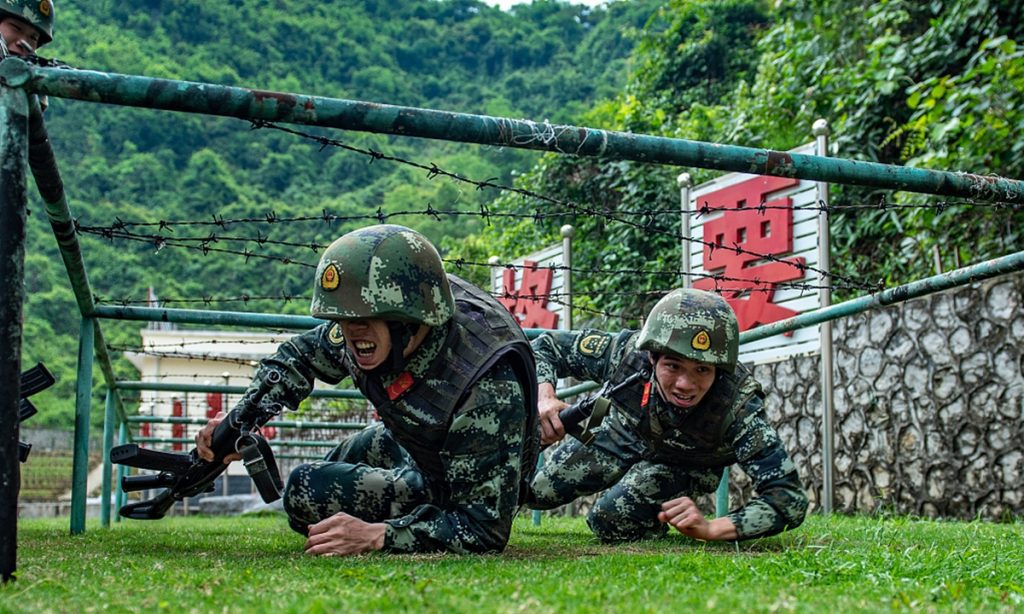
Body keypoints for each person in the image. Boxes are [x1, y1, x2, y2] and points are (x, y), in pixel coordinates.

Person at [196, 224, 539, 556]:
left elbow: (483, 530)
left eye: (362, 320)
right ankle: (395, 490)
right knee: (350, 453)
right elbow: (298, 357)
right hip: (419, 447)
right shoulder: (374, 323)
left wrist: (378, 535)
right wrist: (239, 421)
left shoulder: (485, 387)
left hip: (461, 482)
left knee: (305, 490)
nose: (350, 331)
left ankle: (402, 502)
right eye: (343, 319)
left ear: (407, 320)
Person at [527, 288, 808, 543]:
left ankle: (650, 519)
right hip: (619, 428)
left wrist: (713, 528)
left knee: (611, 520)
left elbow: (788, 498)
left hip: (686, 462)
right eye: (673, 366)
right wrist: (544, 398)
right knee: (535, 493)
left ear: (719, 370)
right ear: (652, 358)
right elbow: (547, 346)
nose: (685, 384)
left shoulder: (738, 407)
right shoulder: (626, 353)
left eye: (702, 370)